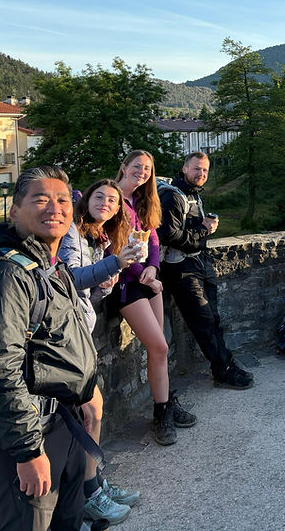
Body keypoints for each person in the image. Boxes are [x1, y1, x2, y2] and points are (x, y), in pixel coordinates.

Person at [0, 166, 97, 530]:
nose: (54, 207)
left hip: (63, 424)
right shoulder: (6, 276)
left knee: (68, 522)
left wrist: (85, 391)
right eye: (40, 199)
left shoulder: (48, 267)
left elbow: (61, 343)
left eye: (63, 199)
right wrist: (27, 451)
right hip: (25, 435)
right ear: (14, 211)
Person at [59, 179, 144, 524]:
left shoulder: (95, 237)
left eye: (112, 200)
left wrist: (105, 286)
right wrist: (114, 266)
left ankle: (93, 485)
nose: (107, 203)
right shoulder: (70, 234)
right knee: (89, 413)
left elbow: (88, 294)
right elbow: (68, 280)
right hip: (65, 337)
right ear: (86, 199)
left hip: (80, 332)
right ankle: (88, 493)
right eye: (100, 197)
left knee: (92, 412)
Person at [114, 149, 196, 446]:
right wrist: (141, 273)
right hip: (127, 283)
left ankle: (165, 404)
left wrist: (153, 267)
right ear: (124, 167)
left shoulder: (144, 200)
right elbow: (115, 245)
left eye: (147, 168)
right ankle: (161, 415)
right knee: (159, 346)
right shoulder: (113, 199)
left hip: (149, 279)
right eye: (137, 167)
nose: (142, 172)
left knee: (159, 349)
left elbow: (153, 238)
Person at [157, 151, 253, 389]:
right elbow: (168, 235)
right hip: (180, 267)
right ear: (184, 169)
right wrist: (204, 229)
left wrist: (202, 231)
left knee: (213, 319)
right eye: (197, 169)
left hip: (200, 262)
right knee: (204, 320)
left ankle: (225, 364)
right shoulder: (174, 197)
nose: (201, 174)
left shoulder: (192, 195)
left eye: (205, 171)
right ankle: (222, 371)